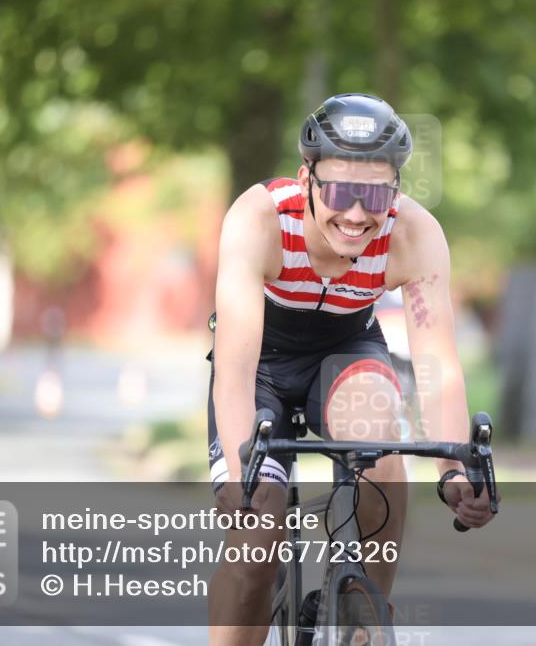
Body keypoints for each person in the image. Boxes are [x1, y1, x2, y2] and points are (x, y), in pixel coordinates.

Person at [207, 93, 496, 645]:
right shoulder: (259, 219)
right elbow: (237, 369)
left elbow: (437, 364)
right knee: (255, 549)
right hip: (261, 363)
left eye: (376, 194)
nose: (358, 214)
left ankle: (366, 615)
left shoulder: (413, 234)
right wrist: (245, 476)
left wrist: (454, 471)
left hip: (345, 350)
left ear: (396, 190)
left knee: (379, 444)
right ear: (307, 179)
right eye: (340, 192)